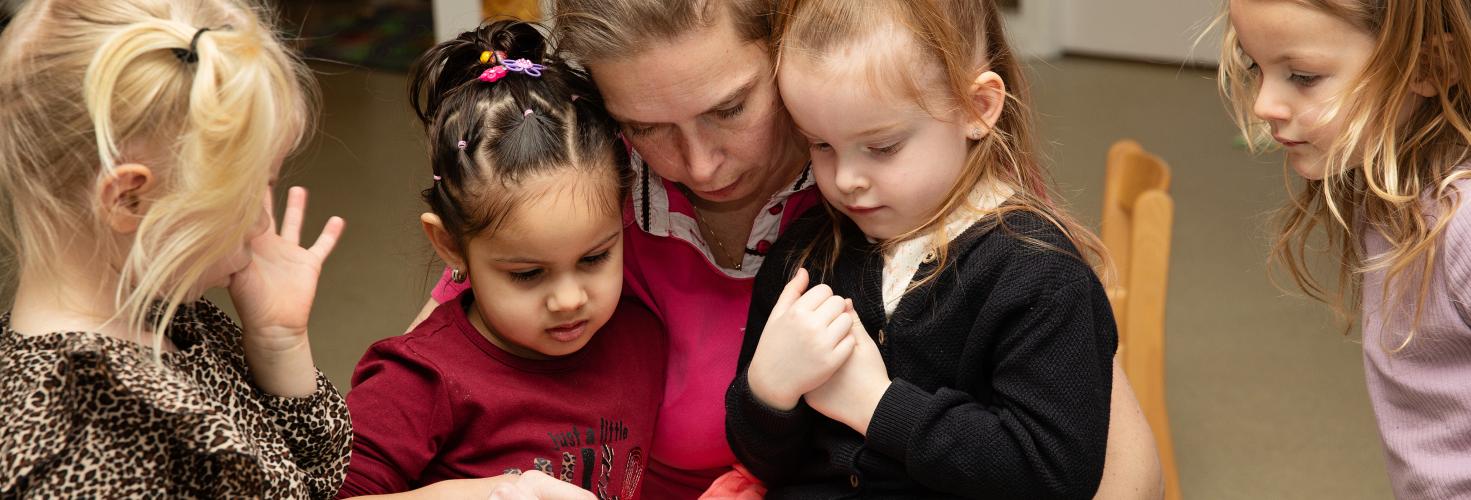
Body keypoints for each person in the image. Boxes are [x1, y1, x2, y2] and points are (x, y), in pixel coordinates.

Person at [420, 1, 1161, 497]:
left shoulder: (919, 185)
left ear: (789, 40)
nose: (702, 165)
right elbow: (424, 382)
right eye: (644, 128)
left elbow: (1113, 467)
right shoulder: (574, 176)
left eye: (731, 108)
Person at [723, 1, 1123, 497]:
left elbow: (1051, 475)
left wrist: (877, 406)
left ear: (977, 109)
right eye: (820, 145)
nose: (845, 180)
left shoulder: (1039, 277)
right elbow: (767, 462)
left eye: (882, 146)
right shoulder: (806, 256)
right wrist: (767, 393)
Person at [0, 0, 351, 496]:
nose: (258, 224)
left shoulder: (164, 313)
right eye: (250, 192)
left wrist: (278, 342)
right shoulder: (83, 455)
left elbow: (310, 480)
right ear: (129, 200)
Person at [1218, 0, 1471, 496]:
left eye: (1302, 76)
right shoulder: (1397, 196)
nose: (1263, 105)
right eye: (1256, 67)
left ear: (1432, 65)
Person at [339, 20, 663, 500]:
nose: (570, 299)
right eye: (528, 273)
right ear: (450, 245)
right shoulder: (416, 381)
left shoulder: (642, 339)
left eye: (595, 258)